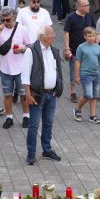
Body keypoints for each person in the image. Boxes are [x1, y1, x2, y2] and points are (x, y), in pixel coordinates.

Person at [22, 26, 66, 165]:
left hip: (51, 94)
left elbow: (58, 71)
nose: (54, 36)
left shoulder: (54, 50)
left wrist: (57, 88)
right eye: (51, 34)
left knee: (48, 123)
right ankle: (31, 153)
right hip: (37, 95)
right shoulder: (31, 51)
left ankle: (46, 150)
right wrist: (28, 94)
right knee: (34, 126)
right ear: (42, 36)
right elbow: (25, 75)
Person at [0, 6, 35, 129]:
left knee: (23, 95)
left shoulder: (23, 29)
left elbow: (31, 46)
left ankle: (26, 116)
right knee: (7, 94)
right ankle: (9, 117)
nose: (5, 22)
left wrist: (22, 49)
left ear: (14, 17)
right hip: (5, 68)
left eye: (8, 20)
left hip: (21, 68)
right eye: (3, 20)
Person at [62, 0, 95, 102]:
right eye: (86, 5)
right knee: (73, 71)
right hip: (75, 50)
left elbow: (94, 30)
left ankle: (89, 92)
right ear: (80, 7)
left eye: (88, 5)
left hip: (88, 51)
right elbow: (66, 33)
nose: (88, 7)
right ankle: (73, 92)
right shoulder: (71, 17)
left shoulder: (89, 17)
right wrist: (67, 48)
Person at [73, 28, 100, 124]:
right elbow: (77, 62)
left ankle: (92, 115)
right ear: (85, 37)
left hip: (96, 74)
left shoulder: (98, 47)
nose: (92, 38)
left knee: (94, 96)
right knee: (88, 94)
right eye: (89, 36)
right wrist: (77, 76)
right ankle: (77, 109)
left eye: (93, 36)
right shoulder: (81, 47)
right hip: (85, 74)